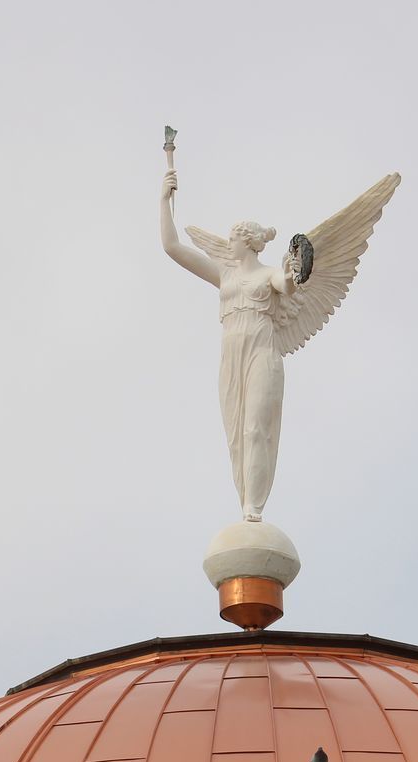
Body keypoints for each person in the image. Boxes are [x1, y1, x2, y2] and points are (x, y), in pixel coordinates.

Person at [159, 169, 303, 523]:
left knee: (256, 429)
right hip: (231, 358)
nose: (228, 244)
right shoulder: (225, 275)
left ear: (248, 242)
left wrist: (291, 272)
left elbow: (286, 285)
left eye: (233, 238)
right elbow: (172, 247)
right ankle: (246, 504)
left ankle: (253, 509)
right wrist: (164, 200)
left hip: (262, 355)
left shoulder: (266, 274)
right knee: (237, 436)